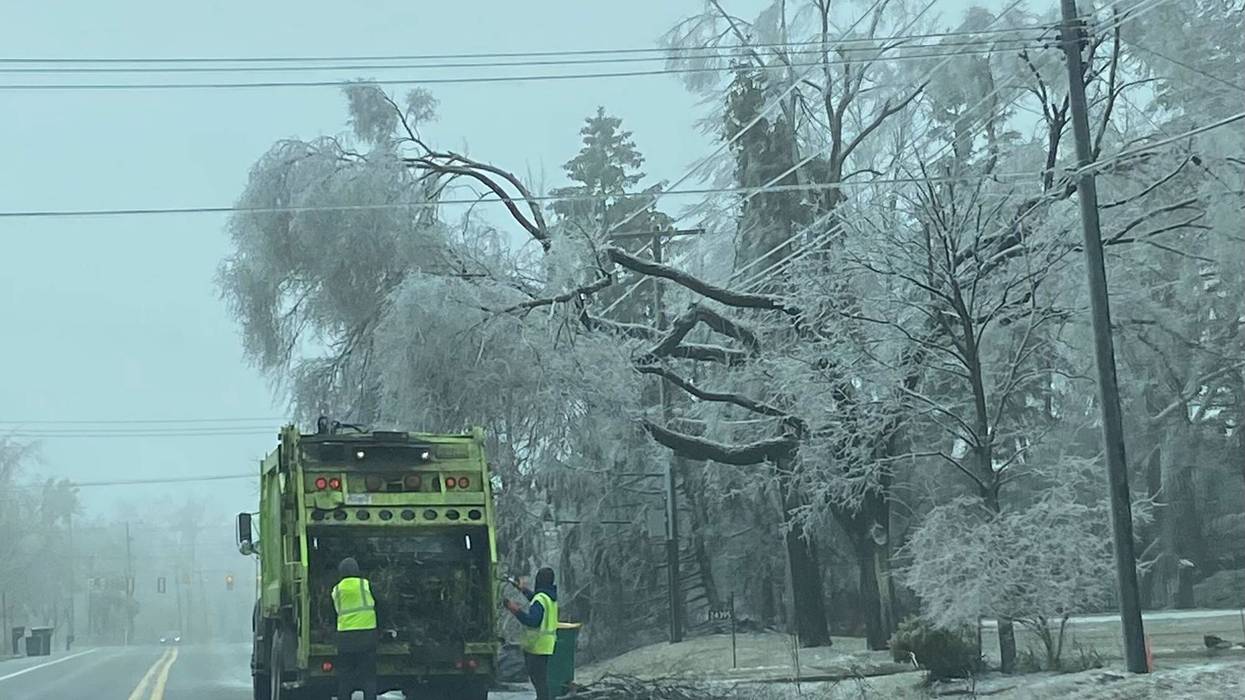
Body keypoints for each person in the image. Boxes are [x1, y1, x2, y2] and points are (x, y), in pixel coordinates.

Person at [505, 566, 558, 700]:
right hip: (546, 646)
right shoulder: (549, 597)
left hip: (536, 647)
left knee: (539, 682)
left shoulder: (540, 599)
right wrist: (521, 588)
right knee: (541, 682)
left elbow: (533, 621)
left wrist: (515, 610)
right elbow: (535, 598)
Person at [331, 557, 379, 700]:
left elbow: (331, 612)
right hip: (367, 637)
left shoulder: (336, 590)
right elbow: (380, 603)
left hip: (345, 639)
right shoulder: (366, 585)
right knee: (369, 678)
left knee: (345, 679)